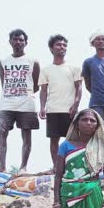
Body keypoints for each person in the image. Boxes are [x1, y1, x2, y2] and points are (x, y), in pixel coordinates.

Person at [48, 109, 104, 208]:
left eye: (92, 121)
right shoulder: (65, 146)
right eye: (84, 120)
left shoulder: (102, 147)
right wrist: (56, 203)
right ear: (76, 123)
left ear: (97, 126)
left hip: (92, 194)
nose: (88, 123)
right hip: (68, 193)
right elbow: (58, 176)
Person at [0, 29, 40, 173]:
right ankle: (2, 165)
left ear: (26, 42)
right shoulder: (3, 61)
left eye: (21, 40)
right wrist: (12, 92)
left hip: (27, 102)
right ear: (10, 41)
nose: (18, 42)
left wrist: (24, 92)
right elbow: (4, 83)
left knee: (26, 133)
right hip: (7, 102)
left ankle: (23, 167)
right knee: (2, 130)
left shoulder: (33, 61)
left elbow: (36, 84)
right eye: (15, 39)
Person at [39, 35, 83, 168]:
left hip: (69, 110)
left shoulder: (74, 68)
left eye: (64, 45)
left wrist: (76, 104)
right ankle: (56, 166)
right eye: (58, 45)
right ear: (51, 48)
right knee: (54, 140)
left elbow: (79, 87)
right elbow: (43, 90)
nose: (62, 47)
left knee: (73, 140)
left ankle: (73, 166)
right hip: (52, 109)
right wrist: (42, 107)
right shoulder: (46, 70)